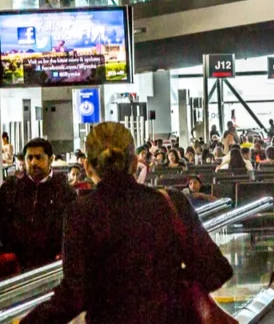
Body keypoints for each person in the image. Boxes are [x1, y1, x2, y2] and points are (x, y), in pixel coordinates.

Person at [21, 122, 233, 324]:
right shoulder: (171, 203)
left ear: (87, 166)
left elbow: (74, 295)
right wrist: (171, 286)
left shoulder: (80, 213)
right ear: (134, 163)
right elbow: (217, 269)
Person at [0, 137, 76, 278]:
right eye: (29, 158)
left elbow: (74, 227)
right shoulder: (11, 188)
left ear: (51, 159)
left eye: (38, 157)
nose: (33, 162)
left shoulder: (64, 192)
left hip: (49, 268)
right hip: (14, 268)